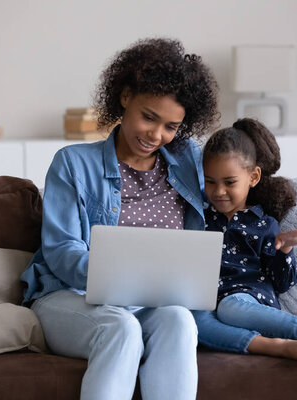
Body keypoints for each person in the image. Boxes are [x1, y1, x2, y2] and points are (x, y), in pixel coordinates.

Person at [19, 37, 219, 400]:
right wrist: (122, 277)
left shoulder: (188, 158)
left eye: (171, 127)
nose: (156, 136)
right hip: (72, 297)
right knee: (121, 327)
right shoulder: (73, 162)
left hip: (150, 304)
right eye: (149, 117)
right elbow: (62, 251)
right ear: (125, 97)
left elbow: (224, 199)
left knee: (179, 319)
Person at [192, 118, 297, 366]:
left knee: (229, 307)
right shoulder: (199, 217)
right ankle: (276, 347)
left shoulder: (263, 224)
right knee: (193, 321)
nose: (219, 191)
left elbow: (282, 282)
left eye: (229, 182)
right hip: (208, 302)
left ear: (253, 176)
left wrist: (284, 249)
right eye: (210, 181)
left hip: (248, 300)